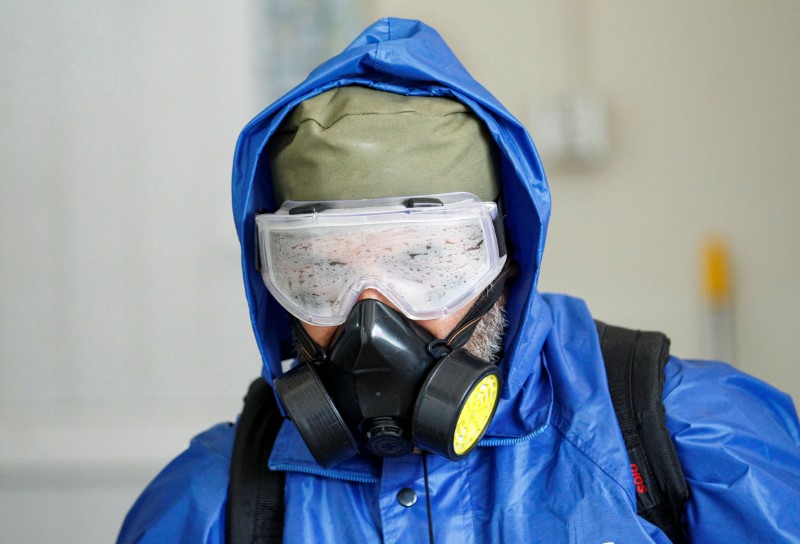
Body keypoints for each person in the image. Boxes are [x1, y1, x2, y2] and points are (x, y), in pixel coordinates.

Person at [118, 18, 800, 543]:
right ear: (271, 282)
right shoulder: (215, 504)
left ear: (506, 260)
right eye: (323, 269)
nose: (373, 320)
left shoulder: (689, 443)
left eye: (423, 261)